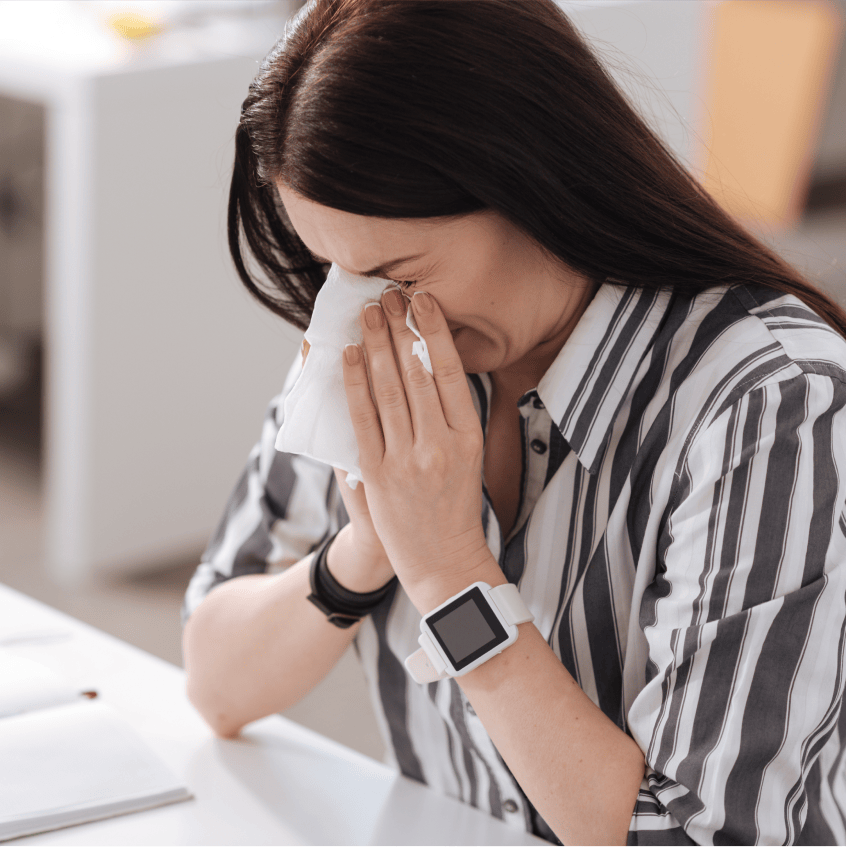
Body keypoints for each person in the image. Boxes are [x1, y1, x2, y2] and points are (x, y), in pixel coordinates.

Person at [180, 1, 846, 844]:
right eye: (334, 270)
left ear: (533, 182)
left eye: (395, 269)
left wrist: (450, 572)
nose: (361, 310)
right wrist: (369, 547)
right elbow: (214, 681)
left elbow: (699, 834)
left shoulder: (772, 405)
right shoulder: (386, 337)